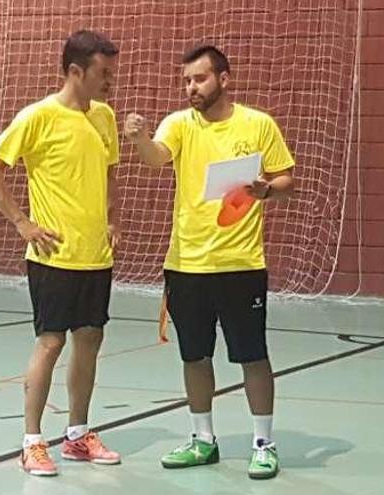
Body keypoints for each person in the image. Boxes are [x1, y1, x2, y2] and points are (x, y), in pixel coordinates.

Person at [123, 44, 295, 480]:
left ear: (224, 78)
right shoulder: (179, 124)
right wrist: (140, 139)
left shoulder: (258, 124)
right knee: (195, 356)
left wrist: (266, 191)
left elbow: (286, 178)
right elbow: (156, 159)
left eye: (199, 79)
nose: (191, 87)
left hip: (241, 264)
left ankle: (263, 443)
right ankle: (203, 438)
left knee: (252, 355)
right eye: (186, 80)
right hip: (186, 264)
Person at [0, 30, 122, 477]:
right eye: (103, 73)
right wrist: (22, 222)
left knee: (90, 340)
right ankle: (33, 442)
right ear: (75, 71)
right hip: (53, 256)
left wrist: (112, 219)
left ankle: (77, 435)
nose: (110, 82)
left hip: (95, 255)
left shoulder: (106, 118)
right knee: (51, 342)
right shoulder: (36, 117)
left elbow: (110, 172)